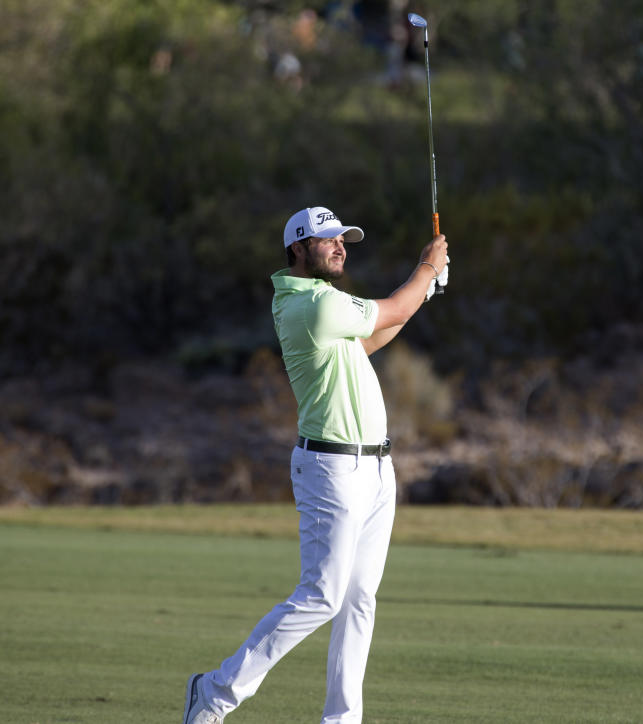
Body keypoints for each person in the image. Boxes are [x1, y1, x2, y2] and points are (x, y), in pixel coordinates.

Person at [182, 206, 448, 724]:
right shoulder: (314, 305)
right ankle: (215, 692)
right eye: (327, 240)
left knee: (358, 601)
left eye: (343, 239)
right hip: (332, 470)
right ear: (298, 250)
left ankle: (341, 720)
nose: (340, 246)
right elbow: (391, 310)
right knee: (322, 596)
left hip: (375, 470)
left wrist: (427, 287)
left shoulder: (323, 304)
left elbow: (370, 338)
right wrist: (428, 270)